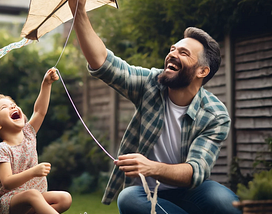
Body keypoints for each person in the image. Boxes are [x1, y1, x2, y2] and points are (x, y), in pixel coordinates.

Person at [68, 1, 241, 214]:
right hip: (147, 191)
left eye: (184, 53)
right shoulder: (150, 84)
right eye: (172, 49)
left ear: (202, 71)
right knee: (128, 198)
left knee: (224, 201)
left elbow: (196, 170)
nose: (172, 54)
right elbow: (104, 63)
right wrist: (78, 12)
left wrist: (151, 167)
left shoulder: (215, 114)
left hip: (191, 191)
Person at [0, 68, 72, 214]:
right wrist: (33, 172)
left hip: (31, 200)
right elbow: (7, 182)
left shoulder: (28, 133)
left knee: (64, 198)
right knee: (33, 195)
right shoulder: (3, 149)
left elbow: (39, 111)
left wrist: (46, 84)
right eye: (4, 107)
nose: (12, 106)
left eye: (13, 104)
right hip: (6, 202)